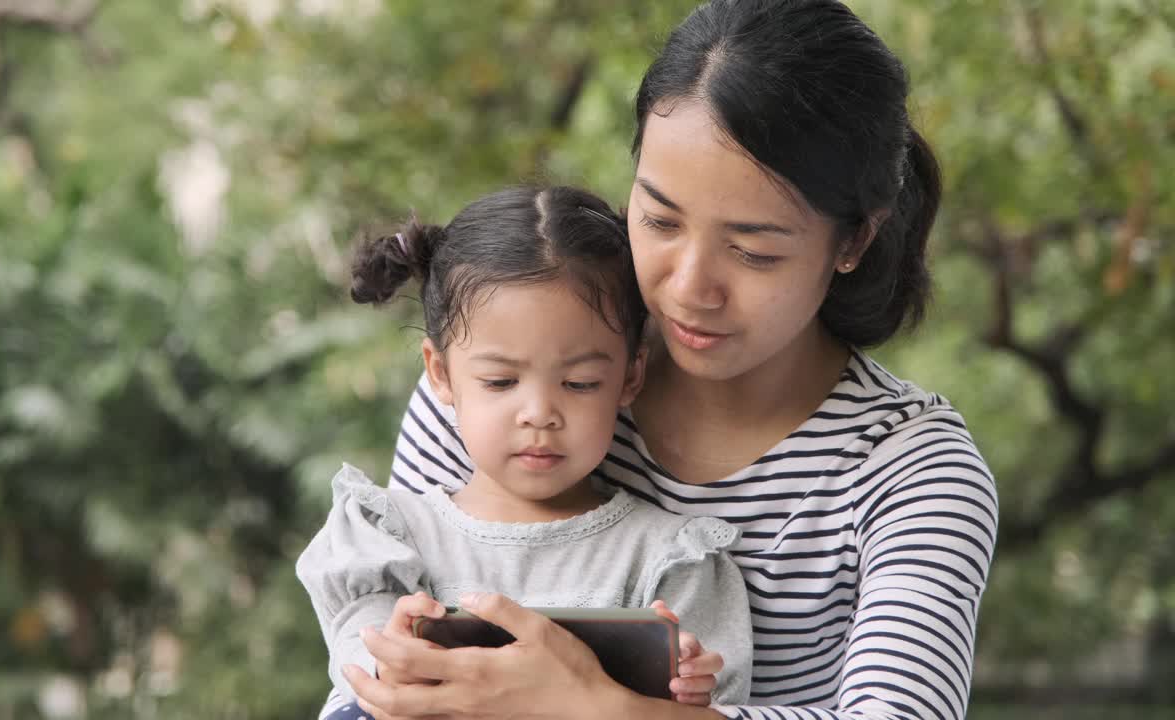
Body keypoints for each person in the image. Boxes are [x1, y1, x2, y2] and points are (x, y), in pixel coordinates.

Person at [344, 1, 999, 719]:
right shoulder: (508, 381)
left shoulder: (908, 466)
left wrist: (599, 708)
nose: (688, 289)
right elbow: (387, 655)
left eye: (754, 250)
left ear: (853, 241)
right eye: (658, 219)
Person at [299, 186, 756, 720]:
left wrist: (690, 690)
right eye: (500, 381)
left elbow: (716, 701)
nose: (539, 413)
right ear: (440, 373)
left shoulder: (669, 560)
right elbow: (359, 664)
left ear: (631, 374)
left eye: (580, 382)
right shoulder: (391, 537)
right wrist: (390, 659)